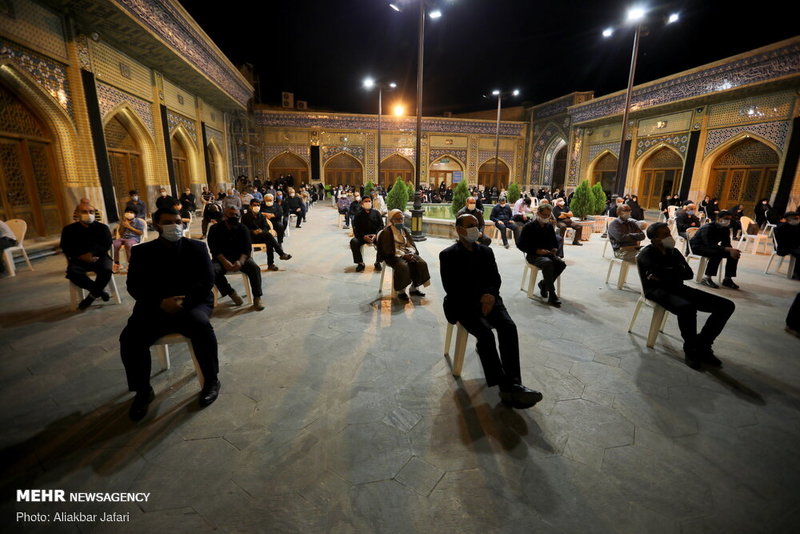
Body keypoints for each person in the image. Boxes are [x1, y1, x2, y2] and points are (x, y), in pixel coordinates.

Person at [120, 207, 221, 421]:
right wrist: (159, 302)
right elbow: (134, 286)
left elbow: (207, 280)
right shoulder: (142, 252)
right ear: (157, 225)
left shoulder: (197, 248)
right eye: (169, 222)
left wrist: (185, 301)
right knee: (131, 337)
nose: (175, 226)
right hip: (155, 306)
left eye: (178, 221)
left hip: (193, 303)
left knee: (201, 325)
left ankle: (211, 380)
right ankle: (143, 390)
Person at [439, 214, 544, 409]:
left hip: (491, 300)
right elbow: (452, 288)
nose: (475, 229)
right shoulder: (448, 255)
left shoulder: (486, 252)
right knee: (486, 335)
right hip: (463, 304)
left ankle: (514, 381)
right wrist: (481, 298)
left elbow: (495, 279)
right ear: (459, 229)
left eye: (477, 225)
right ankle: (507, 387)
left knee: (508, 328)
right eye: (470, 226)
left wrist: (490, 295)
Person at [637, 222, 735, 369]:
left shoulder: (674, 252)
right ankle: (691, 350)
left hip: (678, 287)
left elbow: (688, 274)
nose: (670, 237)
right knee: (686, 308)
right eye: (665, 235)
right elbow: (657, 278)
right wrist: (674, 271)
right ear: (654, 239)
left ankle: (703, 344)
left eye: (669, 233)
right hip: (658, 291)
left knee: (726, 305)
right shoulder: (646, 254)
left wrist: (667, 272)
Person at [207, 206, 264, 311]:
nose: (235, 217)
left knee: (254, 268)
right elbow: (214, 249)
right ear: (225, 215)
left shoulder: (243, 228)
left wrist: (240, 261)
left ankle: (257, 297)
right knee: (211, 271)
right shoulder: (214, 229)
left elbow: (247, 249)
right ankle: (230, 292)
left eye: (237, 215)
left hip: (241, 257)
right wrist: (224, 261)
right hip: (221, 258)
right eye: (231, 214)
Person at [61, 202, 113, 310]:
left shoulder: (102, 228)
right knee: (72, 273)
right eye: (84, 212)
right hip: (79, 258)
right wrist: (80, 256)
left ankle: (91, 296)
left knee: (107, 270)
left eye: (91, 211)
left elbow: (106, 244)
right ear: (78, 213)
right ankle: (100, 292)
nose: (88, 214)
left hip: (99, 257)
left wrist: (91, 253)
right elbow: (65, 246)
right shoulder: (69, 229)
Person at [516, 203, 565, 306]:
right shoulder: (529, 227)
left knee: (561, 264)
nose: (546, 218)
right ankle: (552, 294)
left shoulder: (549, 227)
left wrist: (554, 249)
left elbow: (554, 242)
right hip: (533, 255)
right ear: (538, 213)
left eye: (548, 215)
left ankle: (544, 284)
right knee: (548, 263)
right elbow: (520, 245)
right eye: (544, 215)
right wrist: (536, 250)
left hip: (547, 254)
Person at [376, 209, 431, 300]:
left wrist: (411, 252)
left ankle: (414, 288)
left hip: (407, 252)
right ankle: (401, 291)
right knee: (403, 266)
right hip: (392, 255)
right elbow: (388, 249)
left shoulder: (403, 230)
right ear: (391, 220)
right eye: (398, 219)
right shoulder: (386, 232)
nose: (400, 221)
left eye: (402, 219)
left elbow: (409, 244)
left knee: (421, 263)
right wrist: (403, 255)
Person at [689, 211, 741, 289]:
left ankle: (727, 279)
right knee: (717, 253)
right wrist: (726, 249)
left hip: (711, 247)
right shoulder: (708, 228)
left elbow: (726, 243)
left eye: (729, 219)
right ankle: (707, 278)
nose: (728, 221)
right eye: (726, 218)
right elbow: (708, 244)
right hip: (698, 247)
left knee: (734, 254)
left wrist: (731, 250)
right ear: (718, 219)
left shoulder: (725, 229)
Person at [242, 199, 292, 271]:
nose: (256, 207)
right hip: (250, 237)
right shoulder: (245, 217)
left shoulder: (261, 216)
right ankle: (281, 254)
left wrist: (262, 231)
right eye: (254, 205)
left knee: (269, 241)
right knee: (269, 236)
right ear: (250, 206)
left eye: (258, 205)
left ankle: (270, 264)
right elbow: (243, 229)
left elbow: (266, 227)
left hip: (261, 236)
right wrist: (253, 231)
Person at [351, 196, 385, 272]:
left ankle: (378, 262)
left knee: (383, 241)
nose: (368, 203)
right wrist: (363, 236)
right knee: (354, 242)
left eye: (369, 201)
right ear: (362, 203)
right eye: (366, 201)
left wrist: (376, 235)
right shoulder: (358, 215)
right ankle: (360, 263)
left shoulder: (376, 213)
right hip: (362, 237)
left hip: (375, 236)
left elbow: (381, 226)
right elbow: (356, 228)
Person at [112, 207, 145, 273]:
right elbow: (121, 233)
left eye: (131, 212)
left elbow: (141, 233)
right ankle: (117, 263)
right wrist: (123, 226)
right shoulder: (123, 222)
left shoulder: (139, 222)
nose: (129, 213)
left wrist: (129, 227)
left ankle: (131, 264)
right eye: (128, 212)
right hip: (123, 238)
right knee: (114, 244)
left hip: (133, 238)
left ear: (135, 214)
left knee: (128, 244)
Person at [774, 211, 800, 280]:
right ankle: (797, 273)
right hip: (784, 248)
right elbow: (786, 240)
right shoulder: (782, 227)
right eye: (796, 218)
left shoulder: (795, 226)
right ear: (790, 219)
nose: (798, 220)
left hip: (792, 246)